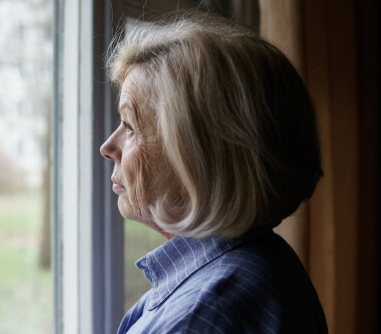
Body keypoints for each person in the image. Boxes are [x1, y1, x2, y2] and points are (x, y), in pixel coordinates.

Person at [100, 13, 328, 334]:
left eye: (130, 126)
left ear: (201, 156)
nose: (107, 147)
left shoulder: (199, 317)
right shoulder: (262, 261)